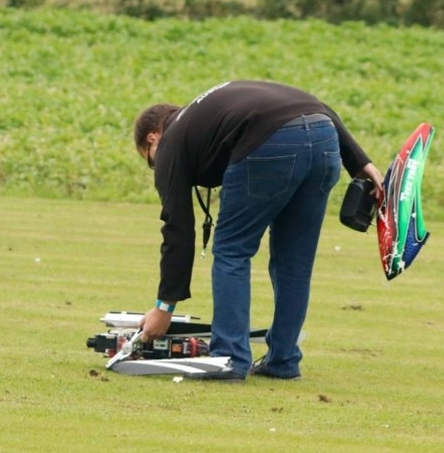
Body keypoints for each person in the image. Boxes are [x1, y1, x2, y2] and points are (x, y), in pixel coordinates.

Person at [133, 80, 384, 380]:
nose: (156, 167)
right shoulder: (214, 108)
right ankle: (283, 361)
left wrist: (164, 307)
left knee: (231, 250)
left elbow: (178, 228)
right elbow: (310, 103)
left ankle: (230, 358)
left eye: (150, 161)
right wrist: (360, 162)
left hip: (269, 144)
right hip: (324, 141)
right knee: (295, 261)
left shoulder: (171, 141)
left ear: (153, 138)